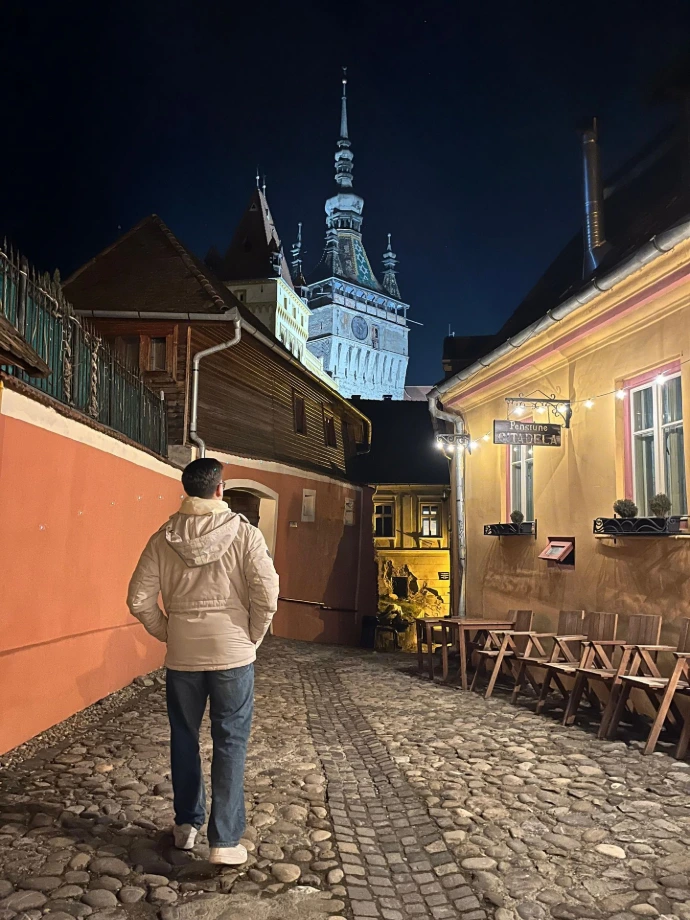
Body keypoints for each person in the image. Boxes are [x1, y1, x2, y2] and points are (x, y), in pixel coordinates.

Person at [127, 458, 279, 866]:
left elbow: (138, 600)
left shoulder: (162, 539)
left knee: (184, 737)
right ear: (220, 489)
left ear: (187, 489)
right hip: (233, 651)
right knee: (230, 740)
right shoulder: (245, 534)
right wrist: (252, 636)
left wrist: (169, 632)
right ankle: (225, 841)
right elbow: (267, 592)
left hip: (183, 655)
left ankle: (186, 825)